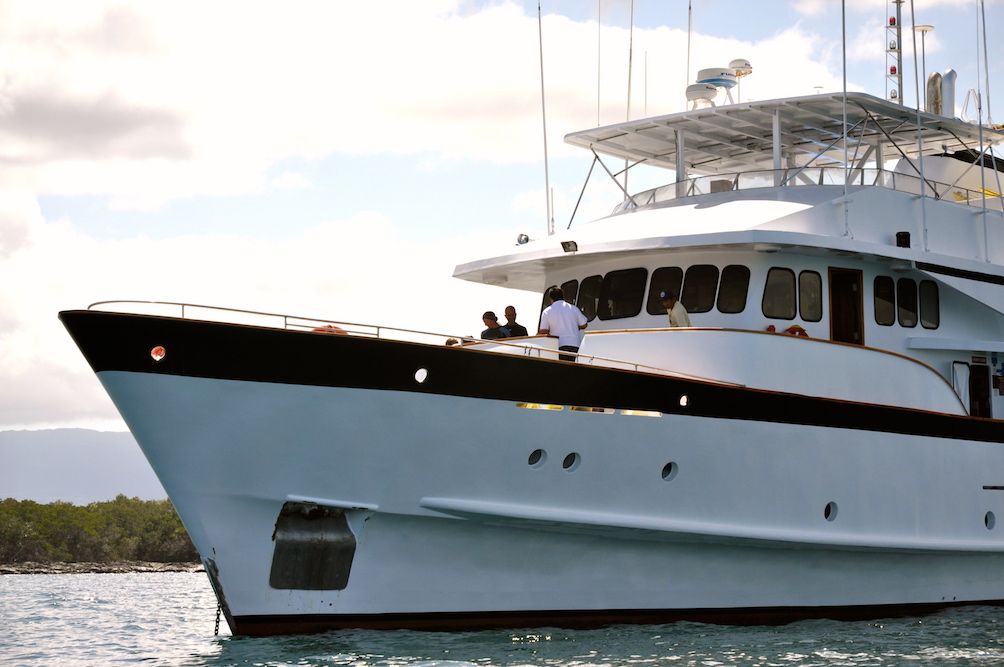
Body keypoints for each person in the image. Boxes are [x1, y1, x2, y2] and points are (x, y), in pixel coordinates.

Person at [538, 286, 587, 361]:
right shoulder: (573, 308)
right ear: (562, 296)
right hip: (575, 346)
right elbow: (584, 324)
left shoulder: (547, 311)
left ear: (551, 299)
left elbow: (543, 331)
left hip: (559, 345)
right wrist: (574, 326)